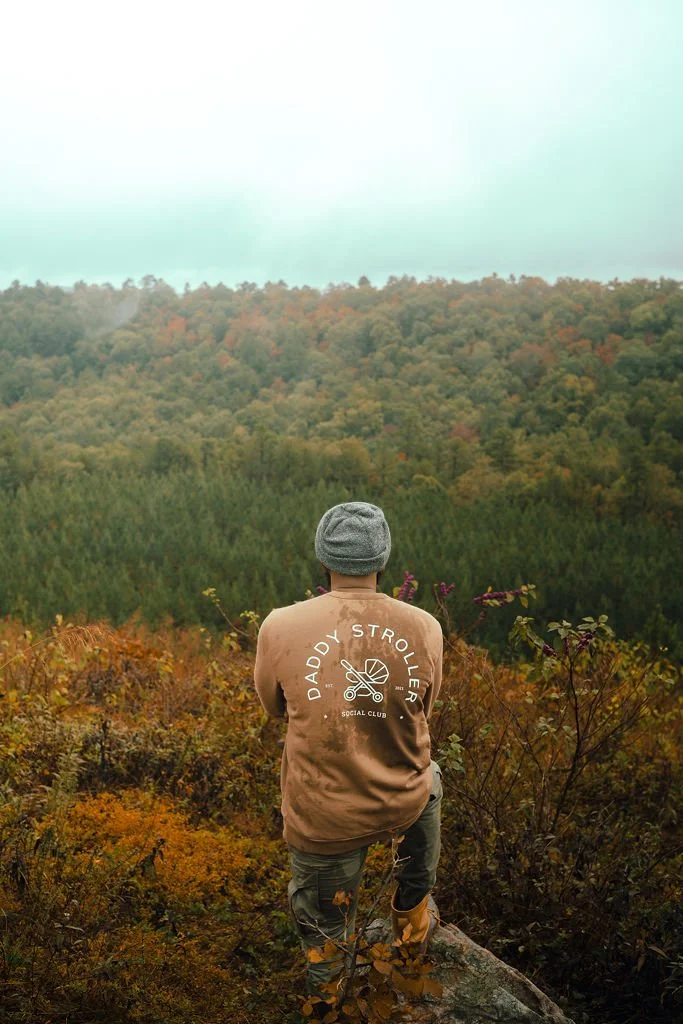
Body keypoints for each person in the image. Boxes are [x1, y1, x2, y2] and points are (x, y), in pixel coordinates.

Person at [254, 501, 444, 1008]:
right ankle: (410, 939)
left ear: (324, 560)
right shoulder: (425, 626)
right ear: (382, 560)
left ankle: (327, 1008)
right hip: (404, 801)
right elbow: (424, 708)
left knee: (325, 936)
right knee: (433, 777)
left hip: (323, 817)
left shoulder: (278, 625)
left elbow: (275, 708)